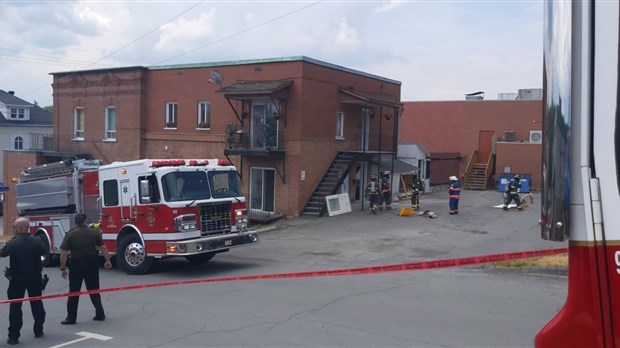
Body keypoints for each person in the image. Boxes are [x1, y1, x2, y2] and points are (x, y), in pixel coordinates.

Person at [0, 217, 47, 345]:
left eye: (15, 227)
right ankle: (39, 330)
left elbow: (2, 253)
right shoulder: (38, 241)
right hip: (35, 278)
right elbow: (45, 251)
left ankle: (14, 336)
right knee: (37, 304)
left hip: (17, 279)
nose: (14, 229)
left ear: (19, 228)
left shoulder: (12, 243)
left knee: (15, 307)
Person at [59, 213, 112, 325]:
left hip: (76, 265)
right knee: (94, 290)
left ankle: (71, 317)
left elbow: (63, 253)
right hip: (92, 264)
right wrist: (107, 260)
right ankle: (100, 313)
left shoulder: (70, 234)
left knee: (74, 291)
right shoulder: (94, 233)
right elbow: (103, 247)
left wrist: (63, 268)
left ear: (76, 222)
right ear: (85, 221)